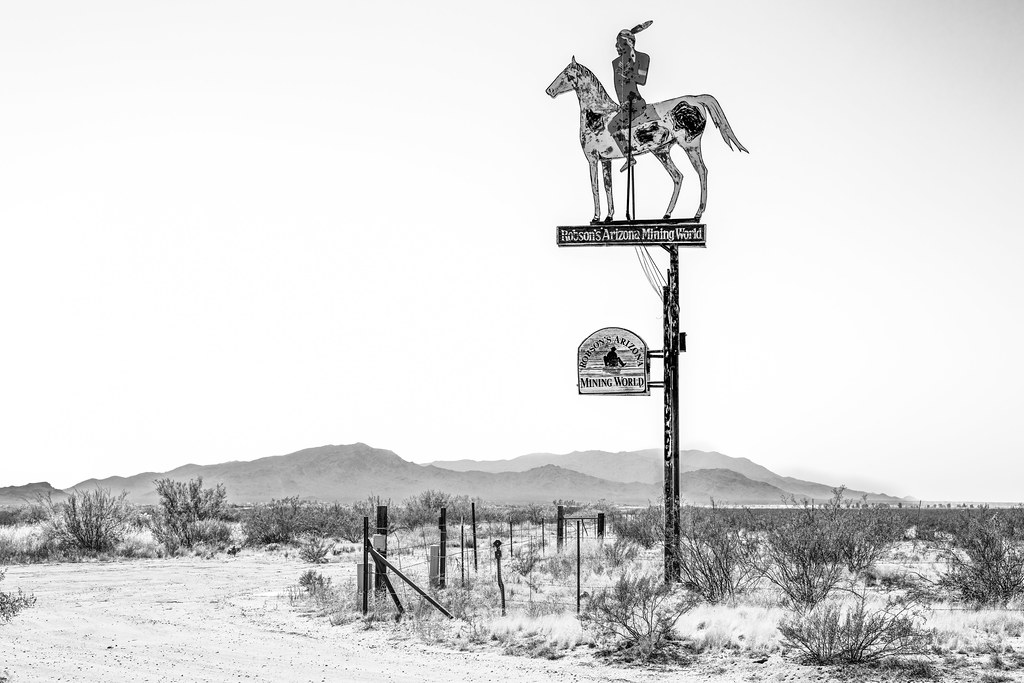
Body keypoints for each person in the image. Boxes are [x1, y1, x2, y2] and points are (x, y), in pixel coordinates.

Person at [610, 21, 653, 170]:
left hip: (635, 103)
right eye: (617, 43)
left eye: (620, 43)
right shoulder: (616, 63)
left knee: (613, 126)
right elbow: (618, 86)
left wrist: (629, 74)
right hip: (624, 105)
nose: (617, 46)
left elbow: (642, 80)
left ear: (629, 43)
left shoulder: (642, 58)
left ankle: (629, 157)